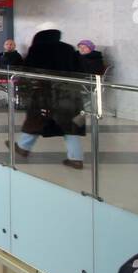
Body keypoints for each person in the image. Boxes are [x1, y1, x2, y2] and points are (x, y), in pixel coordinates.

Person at [14, 29, 86, 169]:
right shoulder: (68, 48)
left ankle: (23, 147)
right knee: (70, 126)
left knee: (37, 119)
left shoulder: (37, 48)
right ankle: (76, 158)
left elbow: (28, 69)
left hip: (44, 92)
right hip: (69, 93)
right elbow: (80, 70)